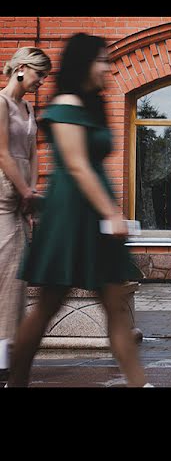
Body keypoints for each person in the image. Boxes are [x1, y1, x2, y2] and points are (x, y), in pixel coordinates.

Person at [9, 34, 146, 387]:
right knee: (46, 310)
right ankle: (16, 381)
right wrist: (112, 213)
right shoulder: (67, 103)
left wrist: (108, 213)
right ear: (84, 64)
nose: (107, 67)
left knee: (116, 308)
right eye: (101, 60)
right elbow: (77, 166)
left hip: (96, 215)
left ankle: (139, 383)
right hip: (71, 218)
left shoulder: (90, 104)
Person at [0, 47, 50, 379]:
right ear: (21, 69)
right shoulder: (1, 103)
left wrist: (31, 196)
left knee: (16, 279)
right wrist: (24, 191)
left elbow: (31, 155)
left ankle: (9, 350)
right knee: (5, 274)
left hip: (21, 200)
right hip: (3, 196)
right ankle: (3, 356)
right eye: (38, 74)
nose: (41, 81)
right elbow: (2, 153)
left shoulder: (29, 107)